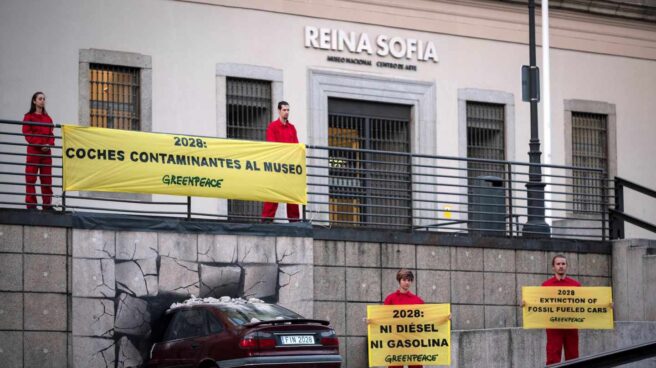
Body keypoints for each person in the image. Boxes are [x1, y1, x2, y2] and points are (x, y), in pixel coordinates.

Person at [261, 101, 300, 222]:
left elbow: (296, 146)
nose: (287, 112)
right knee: (273, 193)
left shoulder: (292, 128)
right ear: (279, 111)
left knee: (292, 194)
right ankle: (267, 220)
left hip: (289, 167)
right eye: (284, 110)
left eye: (288, 110)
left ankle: (294, 221)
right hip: (277, 166)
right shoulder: (272, 126)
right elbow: (272, 146)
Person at [542, 254, 581, 365]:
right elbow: (538, 303)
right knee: (552, 357)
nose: (561, 266)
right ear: (553, 267)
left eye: (563, 264)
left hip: (571, 326)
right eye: (558, 264)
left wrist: (606, 305)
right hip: (553, 327)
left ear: (566, 266)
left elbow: (586, 304)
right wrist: (526, 304)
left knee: (573, 357)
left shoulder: (576, 285)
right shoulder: (546, 285)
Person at [384, 269, 424, 368]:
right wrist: (371, 321)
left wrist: (444, 317)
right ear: (399, 280)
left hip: (413, 340)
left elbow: (428, 317)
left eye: (409, 280)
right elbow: (383, 317)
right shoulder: (390, 299)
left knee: (416, 366)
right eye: (404, 280)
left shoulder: (417, 300)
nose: (407, 282)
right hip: (396, 340)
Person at [22, 91, 55, 210]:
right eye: (40, 98)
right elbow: (27, 133)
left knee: (47, 178)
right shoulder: (28, 117)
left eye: (44, 99)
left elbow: (51, 134)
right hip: (34, 151)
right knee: (31, 178)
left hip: (46, 153)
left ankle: (47, 205)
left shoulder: (48, 118)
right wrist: (40, 144)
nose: (42, 100)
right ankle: (31, 205)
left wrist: (49, 144)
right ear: (34, 101)